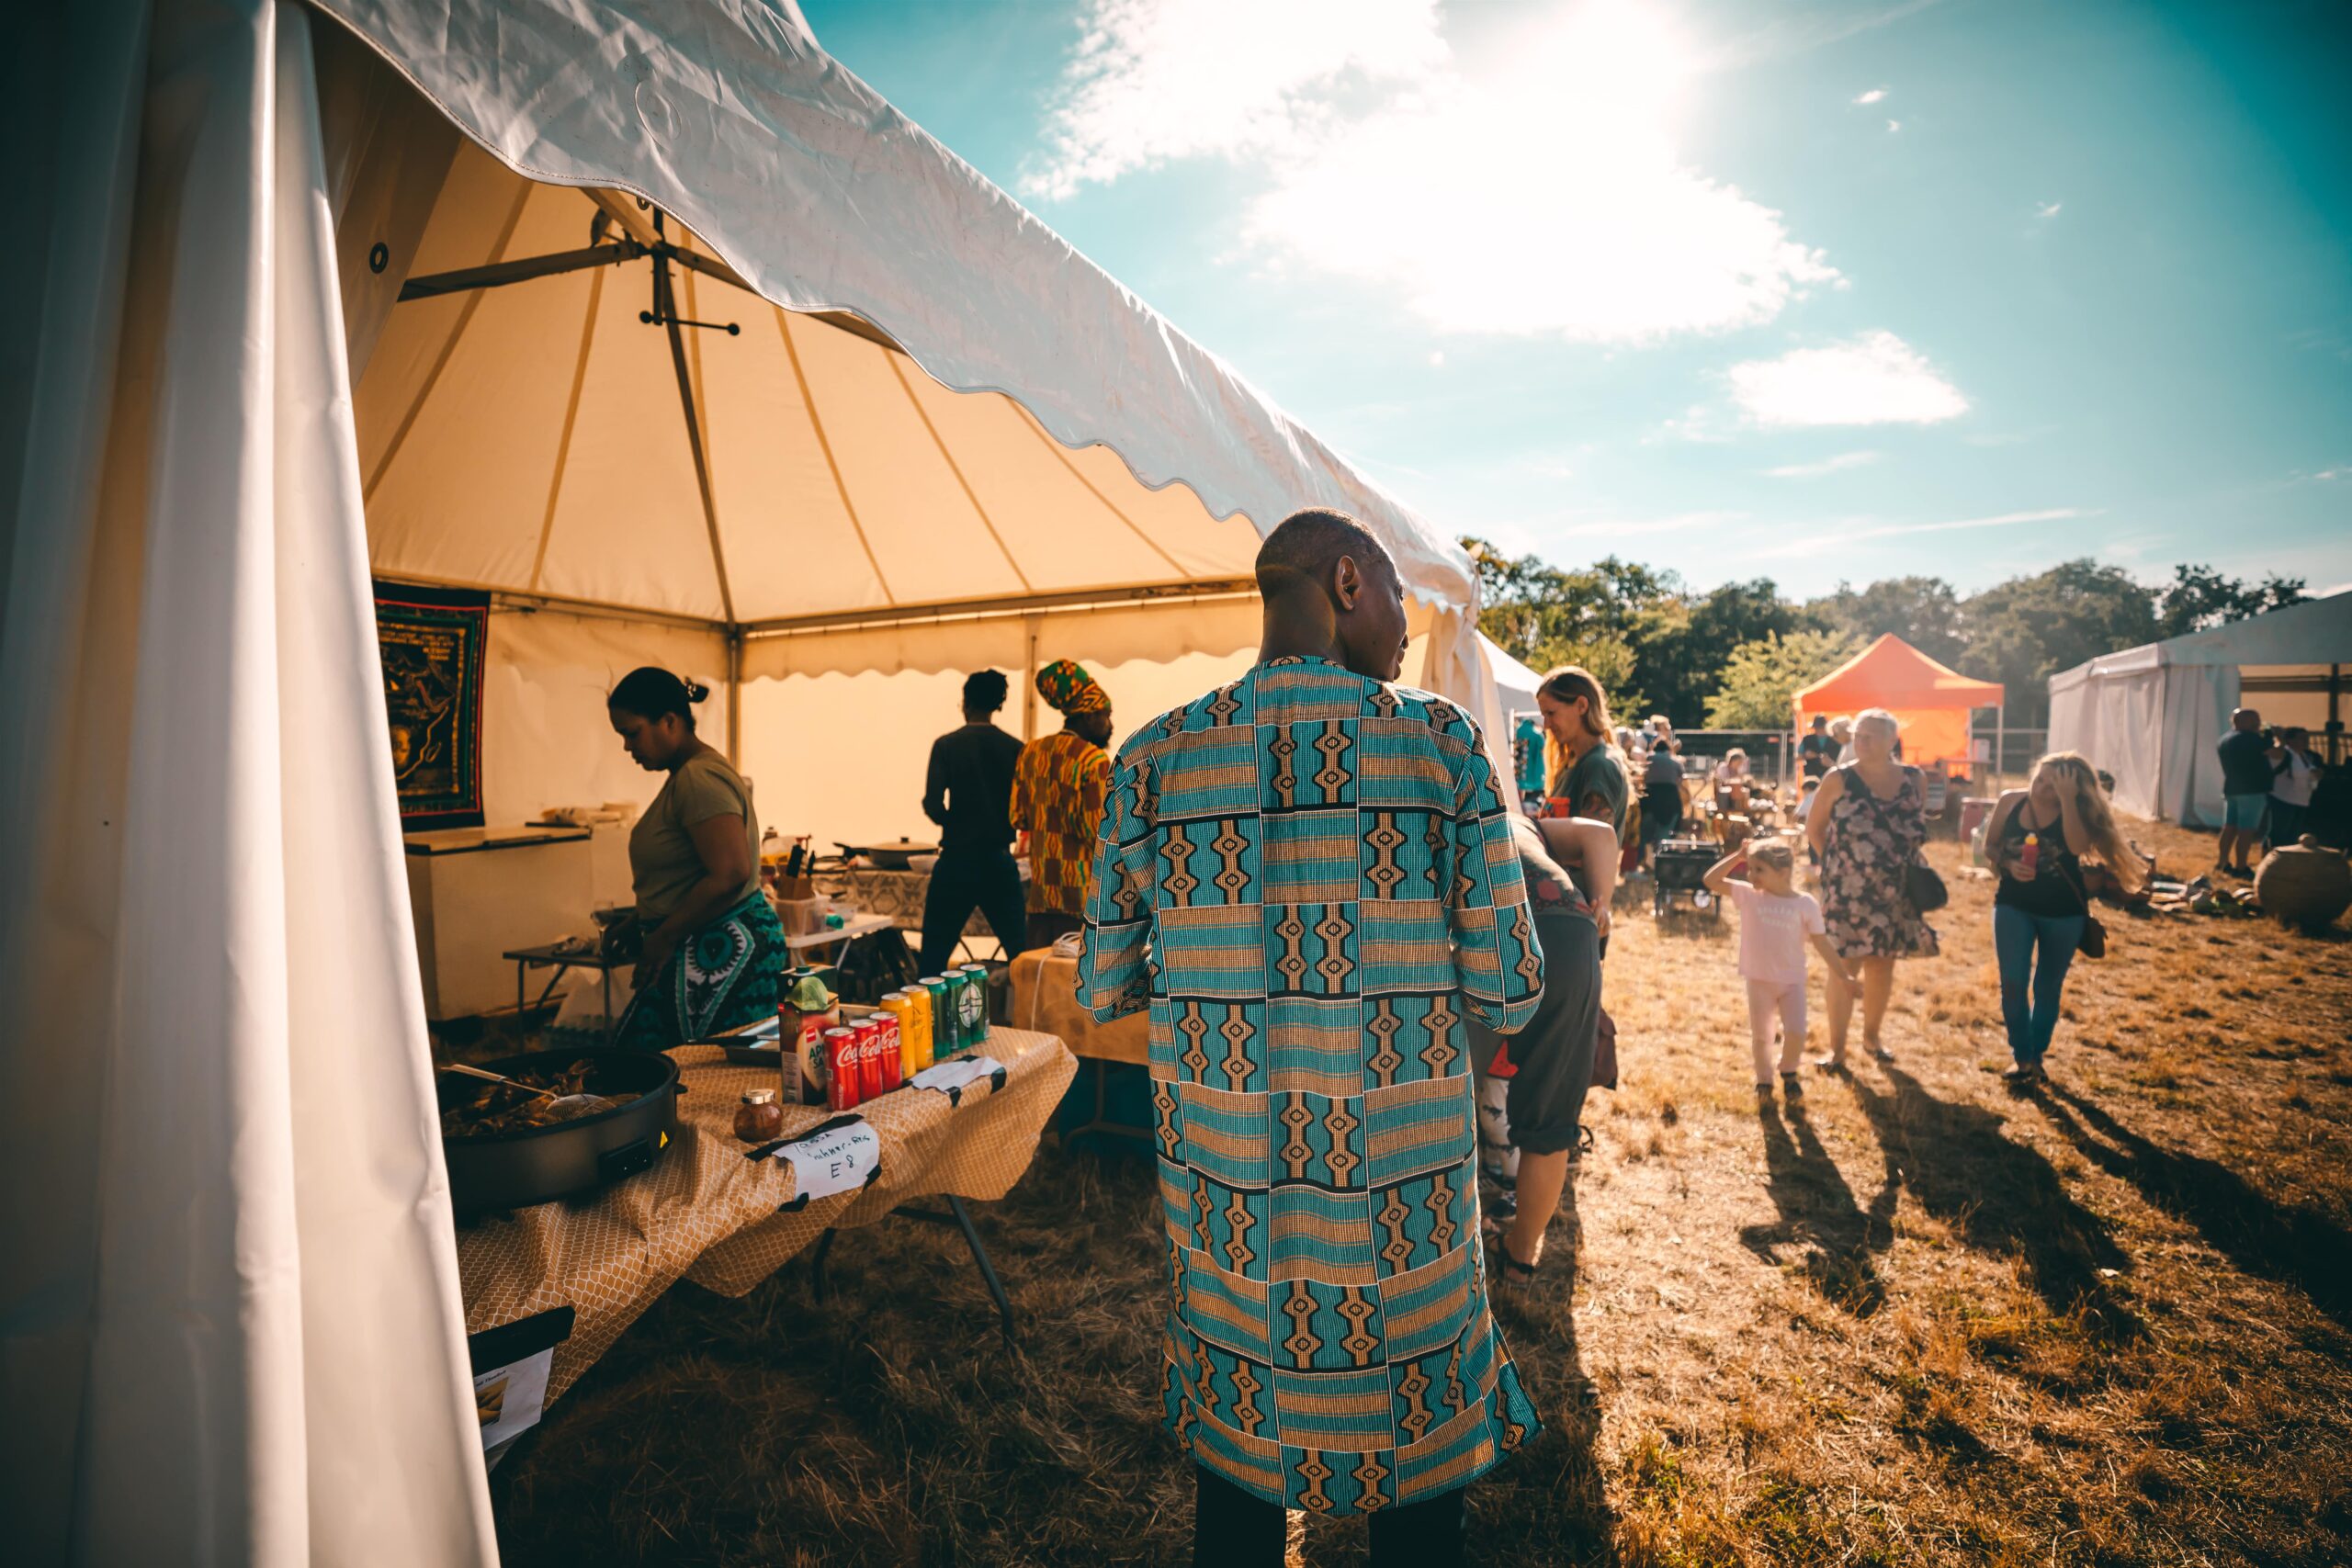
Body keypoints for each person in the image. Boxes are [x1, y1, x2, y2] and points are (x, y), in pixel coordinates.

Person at [1079, 508, 1542, 1564]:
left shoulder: (1149, 762)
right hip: (1404, 1208)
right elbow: (1510, 987)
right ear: (1347, 581)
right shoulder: (1436, 742)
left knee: (1237, 1473)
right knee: (1419, 1473)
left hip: (1229, 1204)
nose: (1400, 633)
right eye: (1395, 603)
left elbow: (1102, 982)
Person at [1471, 814, 1612, 1288]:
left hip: (1483, 928)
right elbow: (1601, 834)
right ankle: (1520, 1259)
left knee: (1443, 1102)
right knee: (1551, 1124)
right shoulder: (1527, 822)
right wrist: (1603, 903)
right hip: (1569, 929)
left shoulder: (1435, 796)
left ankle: (1448, 1249)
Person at [606, 668, 783, 1048]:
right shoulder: (688, 774)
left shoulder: (698, 779)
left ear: (669, 721)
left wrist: (664, 935)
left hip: (718, 948)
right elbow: (690, 873)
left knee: (686, 1076)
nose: (627, 747)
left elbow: (731, 871)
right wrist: (638, 920)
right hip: (701, 940)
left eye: (632, 733)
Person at [1984, 753, 2147, 1085]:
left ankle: (2037, 1054)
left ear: (2071, 789)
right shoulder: (2010, 802)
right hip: (2013, 904)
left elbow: (2075, 846)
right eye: (2040, 779)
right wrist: (2008, 863)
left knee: (2046, 988)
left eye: (2052, 784)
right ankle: (2023, 1058)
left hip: (2064, 914)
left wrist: (2068, 799)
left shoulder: (2078, 812)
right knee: (2013, 985)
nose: (2041, 787)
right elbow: (1989, 846)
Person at [1805, 708, 1937, 1066]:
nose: (1860, 742)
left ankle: (1872, 1038)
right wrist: (1836, 866)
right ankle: (1837, 1050)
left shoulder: (1914, 779)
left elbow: (1915, 828)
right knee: (1844, 967)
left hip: (1896, 891)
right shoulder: (1839, 779)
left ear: (1892, 741)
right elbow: (1814, 829)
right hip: (1846, 891)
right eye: (1858, 736)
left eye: (1869, 737)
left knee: (1882, 964)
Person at [1702, 839, 1856, 1101]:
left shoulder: (1805, 904)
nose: (1751, 875)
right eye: (1749, 868)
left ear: (1783, 873)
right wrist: (1737, 858)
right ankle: (1764, 1080)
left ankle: (1788, 1071)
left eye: (1759, 869)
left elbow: (1821, 941)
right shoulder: (1750, 895)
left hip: (1791, 982)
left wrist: (1843, 975)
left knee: (1797, 1031)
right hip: (1758, 980)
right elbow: (1711, 881)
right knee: (1762, 1036)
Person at [919, 671, 1027, 976]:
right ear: (998, 704)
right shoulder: (1017, 748)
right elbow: (1023, 808)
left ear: (965, 703)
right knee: (1019, 953)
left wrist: (956, 824)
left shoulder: (946, 745)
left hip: (956, 860)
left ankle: (926, 1019)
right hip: (998, 860)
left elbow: (932, 803)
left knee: (934, 956)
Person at [1009, 660, 1115, 952]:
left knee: (1037, 984)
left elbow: (1018, 818)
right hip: (1082, 900)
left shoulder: (1030, 752)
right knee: (1073, 990)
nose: (1110, 725)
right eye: (1106, 716)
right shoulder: (1093, 760)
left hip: (1041, 898)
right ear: (1088, 716)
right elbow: (1100, 832)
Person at [1537, 665, 1633, 842]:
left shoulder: (1599, 765)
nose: (1546, 725)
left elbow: (1595, 846)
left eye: (1551, 713)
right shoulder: (1572, 763)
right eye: (1544, 715)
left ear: (1581, 705)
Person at [2215, 707, 2270, 877]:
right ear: (2244, 721)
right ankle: (2241, 867)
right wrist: (2278, 738)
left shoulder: (2224, 739)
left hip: (2232, 788)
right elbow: (2274, 751)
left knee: (2229, 828)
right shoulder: (2250, 738)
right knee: (2246, 830)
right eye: (2255, 719)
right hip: (2251, 791)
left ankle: (2222, 862)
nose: (2258, 723)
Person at [2267, 726, 2317, 850]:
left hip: (2300, 800)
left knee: (2292, 835)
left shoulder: (2305, 756)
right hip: (2283, 799)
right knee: (2279, 834)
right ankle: (2272, 860)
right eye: (2301, 738)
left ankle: (2287, 862)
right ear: (2289, 740)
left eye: (2307, 738)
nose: (2306, 741)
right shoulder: (2284, 754)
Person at [1639, 734, 1686, 856]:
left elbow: (1641, 776)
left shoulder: (1648, 758)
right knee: (1664, 835)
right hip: (1669, 799)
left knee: (1643, 834)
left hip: (1649, 798)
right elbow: (1680, 780)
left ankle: (1640, 861)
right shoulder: (1675, 762)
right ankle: (1660, 860)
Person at [1798, 714, 1838, 782]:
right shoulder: (1807, 739)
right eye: (1817, 727)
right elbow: (1797, 758)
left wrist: (1831, 763)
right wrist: (1805, 755)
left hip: (1831, 776)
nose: (1819, 730)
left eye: (1821, 727)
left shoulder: (1835, 740)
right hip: (1812, 777)